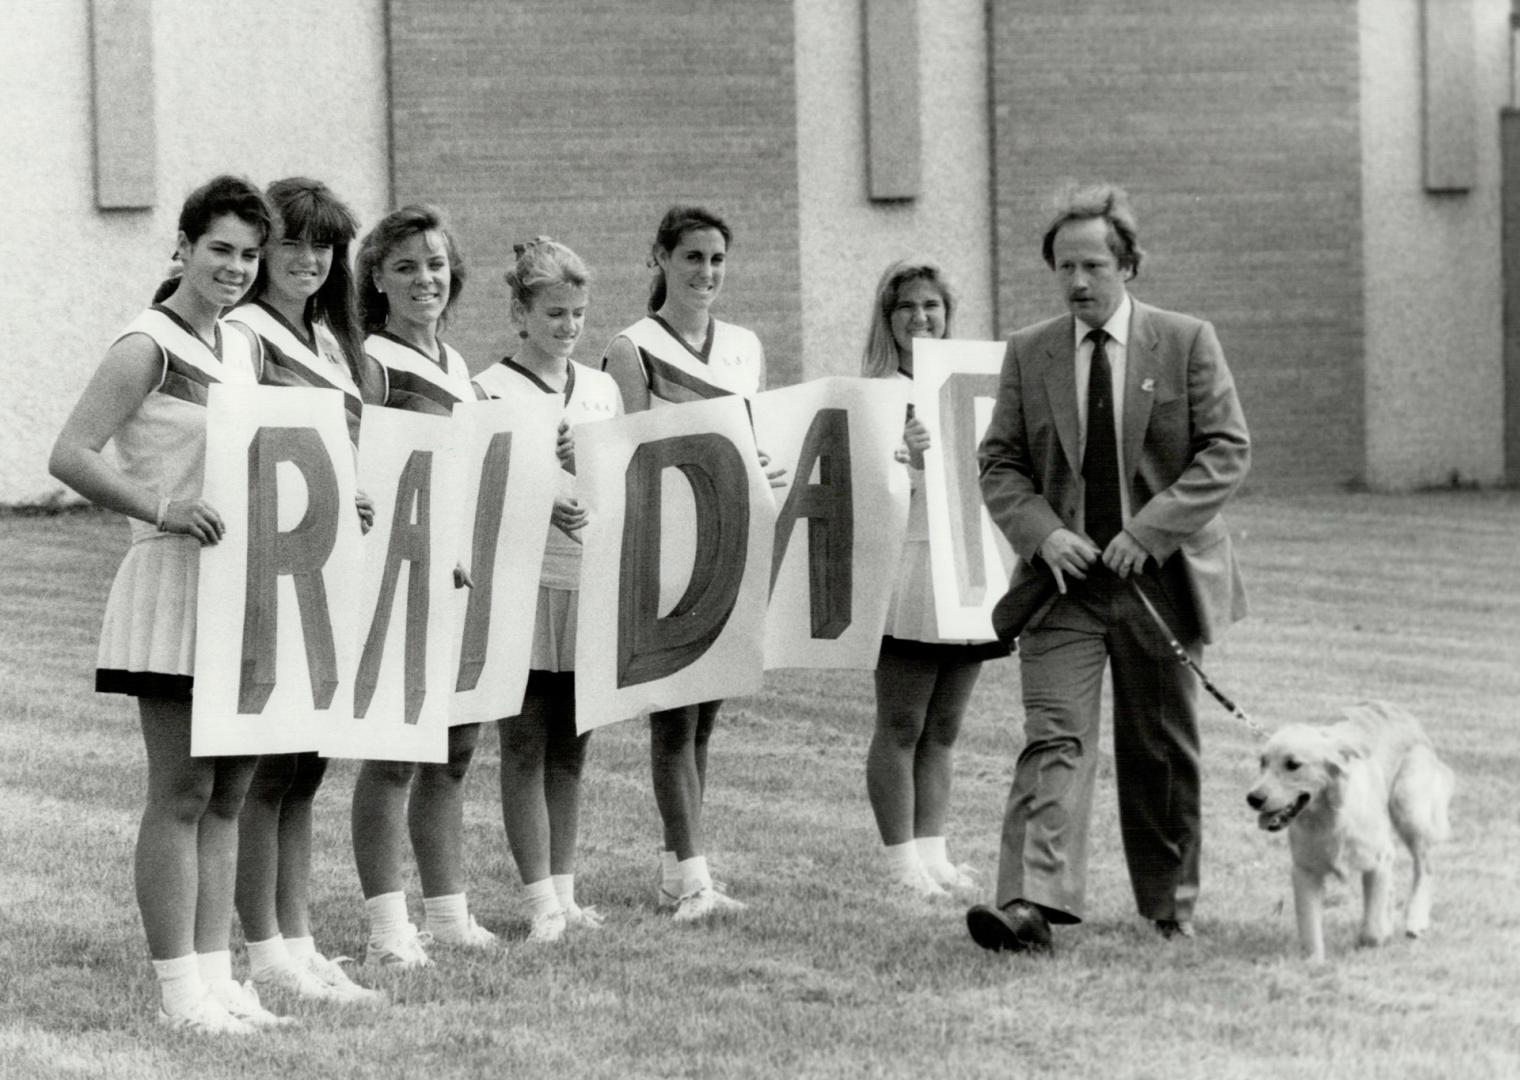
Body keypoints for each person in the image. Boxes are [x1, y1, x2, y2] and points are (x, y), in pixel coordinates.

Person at [968, 183, 1250, 954]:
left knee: (1158, 744)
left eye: (1093, 264)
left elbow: (1226, 450)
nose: (1078, 282)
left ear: (1130, 264)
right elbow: (1000, 463)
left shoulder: (1187, 341)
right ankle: (1028, 903)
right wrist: (1043, 534)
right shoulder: (1031, 352)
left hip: (1157, 585)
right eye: (1064, 267)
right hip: (1062, 589)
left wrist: (1150, 531)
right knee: (1053, 737)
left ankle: (1170, 901)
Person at [49, 175, 289, 1033]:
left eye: (249, 255)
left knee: (229, 793)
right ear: (182, 248)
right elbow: (69, 454)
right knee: (181, 791)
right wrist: (161, 508)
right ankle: (177, 991)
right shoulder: (145, 344)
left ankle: (219, 980)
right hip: (171, 584)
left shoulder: (244, 348)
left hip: (239, 586)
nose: (234, 267)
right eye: (219, 248)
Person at [224, 177, 385, 1004]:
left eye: (323, 246)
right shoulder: (244, 333)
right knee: (267, 766)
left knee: (306, 768)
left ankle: (296, 934)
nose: (309, 259)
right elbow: (239, 447)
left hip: (332, 567)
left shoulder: (328, 339)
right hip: (273, 565)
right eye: (292, 242)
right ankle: (264, 946)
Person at [601, 205, 764, 921]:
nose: (705, 272)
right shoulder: (631, 347)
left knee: (705, 719)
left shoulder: (745, 346)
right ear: (659, 258)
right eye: (692, 257)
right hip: (663, 551)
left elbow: (757, 440)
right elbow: (627, 457)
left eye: (716, 259)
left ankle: (680, 871)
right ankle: (693, 878)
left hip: (726, 545)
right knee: (672, 719)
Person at [349, 204, 496, 967]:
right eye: (404, 266)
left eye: (434, 264)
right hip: (397, 571)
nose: (423, 279)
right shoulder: (370, 358)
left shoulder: (457, 362)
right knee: (394, 753)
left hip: (458, 572)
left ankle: (447, 912)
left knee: (455, 749)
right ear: (376, 278)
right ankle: (386, 929)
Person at [473, 238, 622, 943]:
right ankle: (539, 901)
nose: (567, 327)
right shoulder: (487, 389)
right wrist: (541, 472)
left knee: (573, 744)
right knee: (525, 743)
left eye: (578, 314)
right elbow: (478, 494)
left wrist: (591, 461)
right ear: (520, 314)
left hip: (587, 579)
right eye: (554, 313)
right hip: (522, 582)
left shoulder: (601, 388)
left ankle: (566, 891)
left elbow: (625, 485)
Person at [860, 259, 1005, 899]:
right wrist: (905, 457)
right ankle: (900, 864)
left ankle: (934, 853)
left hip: (968, 564)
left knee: (945, 727)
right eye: (907, 308)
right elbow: (864, 493)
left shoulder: (977, 385)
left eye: (932, 306)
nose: (922, 318)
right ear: (888, 321)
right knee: (902, 723)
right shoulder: (875, 393)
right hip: (909, 562)